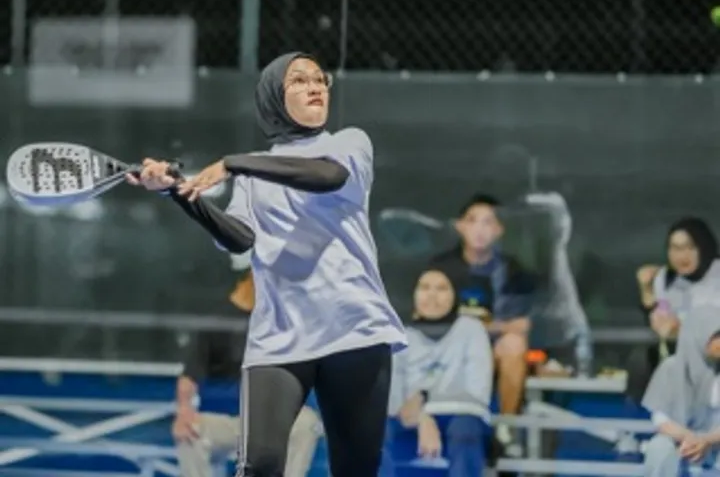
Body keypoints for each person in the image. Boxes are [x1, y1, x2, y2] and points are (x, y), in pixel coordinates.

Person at [127, 51, 408, 477]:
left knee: (356, 470)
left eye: (320, 79)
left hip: (355, 330)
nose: (315, 87)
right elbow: (239, 238)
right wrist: (177, 192)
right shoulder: (252, 177)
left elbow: (326, 177)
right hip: (278, 337)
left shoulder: (349, 143)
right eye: (299, 80)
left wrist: (233, 163)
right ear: (275, 96)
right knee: (259, 466)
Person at [175, 253, 321, 477]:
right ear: (252, 275)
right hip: (225, 420)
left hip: (268, 421)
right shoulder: (216, 320)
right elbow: (189, 376)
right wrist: (184, 410)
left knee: (306, 422)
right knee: (188, 432)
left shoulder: (281, 320)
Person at [429, 194, 535, 453]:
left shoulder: (513, 271)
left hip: (492, 352)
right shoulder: (440, 268)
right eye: (472, 221)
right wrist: (491, 326)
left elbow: (521, 325)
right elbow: (430, 317)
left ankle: (506, 430)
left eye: (488, 222)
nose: (480, 229)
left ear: (499, 230)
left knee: (514, 345)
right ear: (459, 226)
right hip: (448, 350)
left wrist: (484, 329)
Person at [383, 267, 493, 477]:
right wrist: (422, 418)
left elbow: (477, 395)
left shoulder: (472, 329)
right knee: (376, 432)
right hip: (410, 419)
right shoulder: (400, 335)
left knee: (464, 429)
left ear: (454, 295)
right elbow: (392, 398)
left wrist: (424, 402)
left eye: (441, 288)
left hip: (461, 416)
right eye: (425, 288)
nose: (432, 295)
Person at [628, 217, 720, 403]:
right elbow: (661, 315)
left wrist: (685, 330)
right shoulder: (665, 278)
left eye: (689, 247)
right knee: (641, 360)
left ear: (704, 247)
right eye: (675, 248)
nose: (681, 255)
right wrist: (648, 292)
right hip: (680, 360)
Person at [642, 305, 720, 476]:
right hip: (680, 440)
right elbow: (661, 420)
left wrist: (706, 440)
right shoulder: (671, 368)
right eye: (716, 335)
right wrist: (691, 439)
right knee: (659, 448)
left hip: (715, 441)